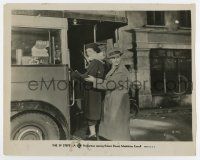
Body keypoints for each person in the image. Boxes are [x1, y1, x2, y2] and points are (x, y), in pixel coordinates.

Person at [85, 48, 131, 141]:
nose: (116, 60)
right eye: (113, 58)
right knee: (113, 123)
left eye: (117, 57)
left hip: (119, 100)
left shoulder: (121, 71)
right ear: (110, 60)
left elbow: (111, 84)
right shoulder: (114, 68)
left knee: (118, 124)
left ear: (120, 58)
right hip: (113, 99)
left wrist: (94, 80)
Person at [71, 43, 109, 140]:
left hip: (93, 91)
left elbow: (88, 78)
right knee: (92, 112)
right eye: (87, 52)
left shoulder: (95, 63)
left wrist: (75, 74)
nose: (88, 54)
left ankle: (93, 135)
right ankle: (94, 134)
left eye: (90, 52)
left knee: (92, 113)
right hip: (93, 90)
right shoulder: (96, 62)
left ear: (96, 52)